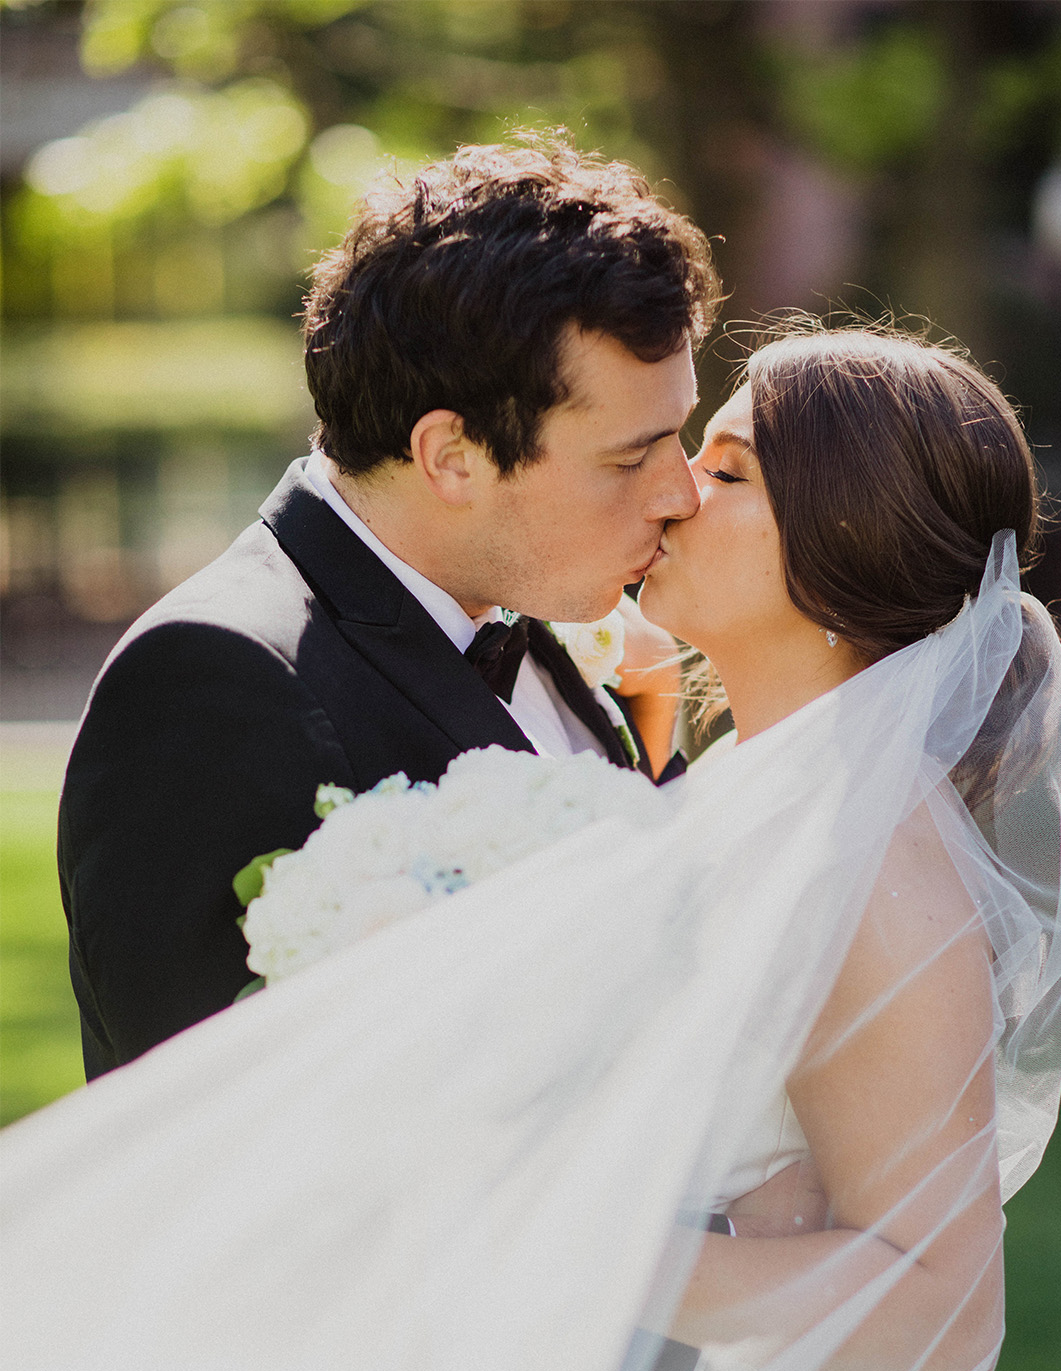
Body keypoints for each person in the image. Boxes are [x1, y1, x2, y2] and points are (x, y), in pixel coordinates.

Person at [6, 325, 1061, 1371]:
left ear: (842, 537)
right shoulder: (743, 795)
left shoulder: (878, 858)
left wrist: (576, 1247)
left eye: (727, 467)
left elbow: (942, 1306)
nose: (678, 498)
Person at [58, 132, 716, 1079]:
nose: (680, 492)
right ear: (451, 456)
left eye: (680, 438)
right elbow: (201, 1140)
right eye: (628, 458)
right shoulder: (213, 682)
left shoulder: (529, 615)